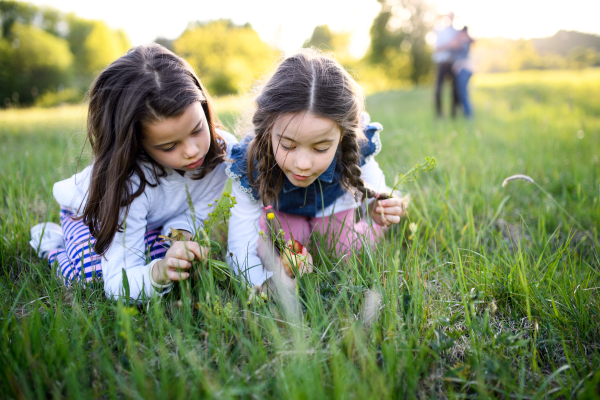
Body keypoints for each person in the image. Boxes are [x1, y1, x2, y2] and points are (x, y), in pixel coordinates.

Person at [29, 44, 238, 301]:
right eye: (169, 146)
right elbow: (118, 283)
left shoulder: (221, 151)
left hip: (154, 220)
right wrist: (159, 272)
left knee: (175, 260)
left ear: (204, 108)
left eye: (197, 129)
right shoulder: (128, 185)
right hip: (93, 216)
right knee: (92, 275)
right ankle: (51, 242)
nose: (193, 151)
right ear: (137, 144)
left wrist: (181, 238)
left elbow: (197, 211)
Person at [226, 50, 409, 293]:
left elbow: (372, 182)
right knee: (271, 247)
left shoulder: (353, 144)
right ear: (268, 131)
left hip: (333, 208)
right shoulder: (251, 161)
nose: (303, 163)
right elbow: (240, 245)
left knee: (344, 252)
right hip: (282, 213)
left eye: (321, 148)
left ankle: (380, 224)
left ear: (342, 136)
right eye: (288, 146)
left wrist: (376, 207)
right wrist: (265, 283)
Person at [432, 12, 459, 118]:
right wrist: (450, 45)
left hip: (452, 63)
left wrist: (450, 46)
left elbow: (458, 46)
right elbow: (438, 48)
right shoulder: (441, 31)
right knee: (438, 90)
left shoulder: (456, 32)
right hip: (442, 63)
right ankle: (439, 114)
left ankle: (454, 114)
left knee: (455, 91)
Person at [451, 27, 475, 118]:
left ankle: (469, 115)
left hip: (464, 70)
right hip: (462, 70)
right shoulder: (462, 41)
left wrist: (462, 37)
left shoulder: (463, 42)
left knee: (463, 93)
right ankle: (467, 113)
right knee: (463, 92)